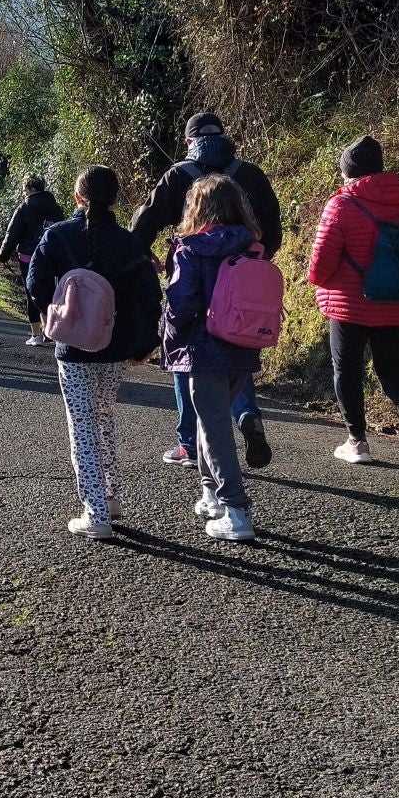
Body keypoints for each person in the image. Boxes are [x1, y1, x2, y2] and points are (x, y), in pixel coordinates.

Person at [131, 111, 280, 473]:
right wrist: (256, 260)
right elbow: (272, 228)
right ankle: (246, 413)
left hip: (192, 273)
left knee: (187, 353)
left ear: (188, 142)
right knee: (236, 344)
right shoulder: (250, 174)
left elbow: (144, 221)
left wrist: (142, 253)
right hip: (244, 283)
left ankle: (188, 443)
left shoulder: (178, 175)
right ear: (225, 137)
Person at [26, 165, 161, 542]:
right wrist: (145, 343)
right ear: (115, 198)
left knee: (81, 425)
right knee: (104, 417)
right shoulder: (131, 242)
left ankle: (95, 512)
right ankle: (112, 497)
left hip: (73, 347)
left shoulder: (57, 236)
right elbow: (151, 295)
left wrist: (51, 315)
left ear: (77, 197)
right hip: (117, 347)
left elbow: (35, 283)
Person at [307, 135, 399, 467]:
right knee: (392, 367)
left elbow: (321, 263)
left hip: (350, 303)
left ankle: (357, 442)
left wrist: (321, 281)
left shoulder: (342, 204)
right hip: (395, 301)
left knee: (346, 368)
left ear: (349, 172)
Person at [162, 174, 266, 542]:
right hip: (243, 345)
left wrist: (169, 338)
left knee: (215, 427)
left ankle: (236, 510)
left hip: (204, 349)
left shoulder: (191, 248)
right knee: (211, 422)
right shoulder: (252, 246)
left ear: (198, 207)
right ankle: (211, 496)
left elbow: (181, 302)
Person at [0, 175, 65, 345]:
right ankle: (51, 332)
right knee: (51, 293)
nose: (24, 194)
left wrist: (4, 254)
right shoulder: (55, 208)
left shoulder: (24, 208)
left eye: (25, 190)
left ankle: (36, 335)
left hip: (28, 257)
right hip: (51, 257)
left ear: (31, 189)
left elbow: (12, 234)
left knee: (32, 294)